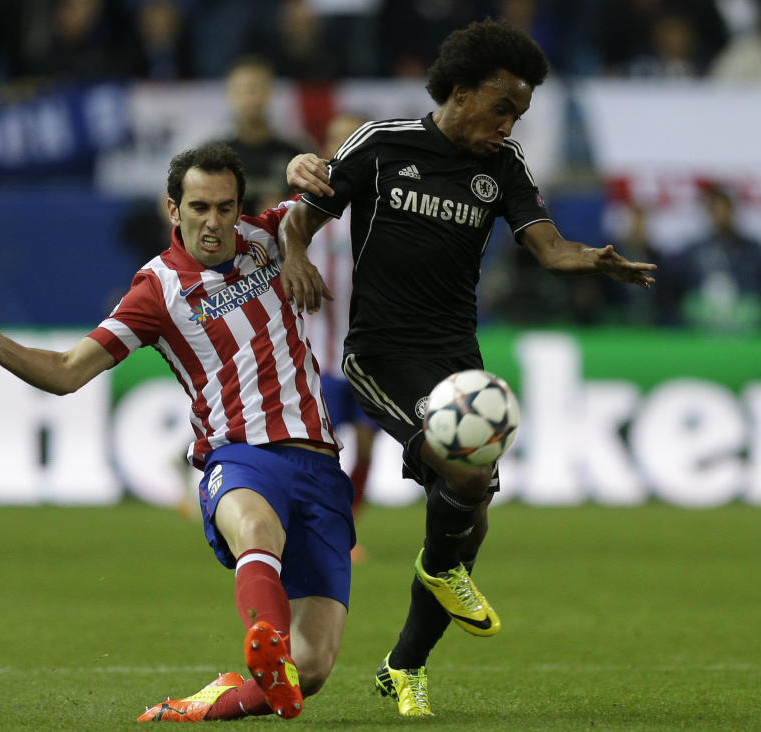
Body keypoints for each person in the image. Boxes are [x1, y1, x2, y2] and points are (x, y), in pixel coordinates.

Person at [277, 18, 656, 717]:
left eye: (519, 114)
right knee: (465, 480)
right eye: (502, 107)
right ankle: (443, 569)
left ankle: (404, 665)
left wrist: (591, 259)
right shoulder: (383, 145)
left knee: (471, 513)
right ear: (458, 89)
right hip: (379, 354)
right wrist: (295, 255)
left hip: (457, 360)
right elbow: (301, 215)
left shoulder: (503, 167)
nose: (509, 124)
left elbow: (546, 247)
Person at [0, 143, 355, 723]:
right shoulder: (157, 290)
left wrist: (304, 166)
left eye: (224, 208)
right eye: (198, 208)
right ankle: (265, 636)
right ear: (173, 210)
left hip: (319, 465)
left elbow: (339, 185)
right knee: (257, 528)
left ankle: (212, 702)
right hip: (241, 456)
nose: (212, 222)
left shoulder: (271, 238)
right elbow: (69, 372)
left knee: (310, 670)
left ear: (241, 207)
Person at [302, 111, 378, 561]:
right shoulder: (309, 206)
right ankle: (323, 531)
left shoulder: (383, 205)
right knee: (321, 450)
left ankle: (344, 527)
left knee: (367, 446)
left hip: (370, 356)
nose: (342, 146)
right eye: (335, 138)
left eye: (352, 138)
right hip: (320, 354)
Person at [661, 184, 761, 331]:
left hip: (747, 327)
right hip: (702, 328)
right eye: (715, 210)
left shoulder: (755, 251)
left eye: (725, 209)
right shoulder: (693, 252)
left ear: (733, 211)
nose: (721, 215)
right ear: (709, 213)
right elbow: (680, 295)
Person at [215, 55, 307, 216]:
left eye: (257, 88)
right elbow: (173, 201)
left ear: (270, 93)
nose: (250, 97)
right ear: (230, 95)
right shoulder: (213, 155)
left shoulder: (296, 153)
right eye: (243, 90)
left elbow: (318, 208)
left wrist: (288, 211)